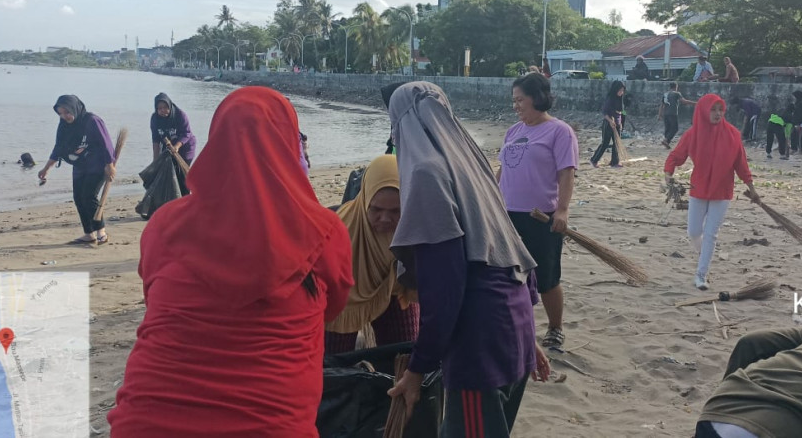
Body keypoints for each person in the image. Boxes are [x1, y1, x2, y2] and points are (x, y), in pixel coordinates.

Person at [108, 87, 354, 437]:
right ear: (290, 145)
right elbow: (332, 309)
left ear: (216, 143)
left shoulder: (165, 225)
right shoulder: (324, 231)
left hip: (147, 424)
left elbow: (155, 298)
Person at [384, 82, 550, 438]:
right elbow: (514, 246)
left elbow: (445, 290)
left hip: (479, 344)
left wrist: (417, 368)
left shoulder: (427, 173)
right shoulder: (471, 163)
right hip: (514, 322)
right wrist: (529, 335)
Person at [496, 73, 579, 350]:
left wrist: (563, 211)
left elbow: (566, 173)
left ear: (537, 98)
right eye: (514, 101)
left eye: (520, 100)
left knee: (546, 277)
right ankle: (517, 326)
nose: (516, 106)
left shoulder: (559, 131)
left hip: (540, 216)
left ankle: (555, 328)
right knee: (510, 275)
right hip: (507, 215)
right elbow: (502, 170)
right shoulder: (513, 131)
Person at [663, 95, 759, 290]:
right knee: (693, 232)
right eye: (713, 109)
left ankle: (701, 274)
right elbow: (676, 156)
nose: (717, 114)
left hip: (722, 191)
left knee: (711, 234)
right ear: (703, 111)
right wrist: (668, 174)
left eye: (720, 109)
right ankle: (704, 255)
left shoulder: (733, 134)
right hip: (698, 188)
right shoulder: (692, 134)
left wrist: (752, 189)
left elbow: (741, 165)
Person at [324, 154, 417, 354]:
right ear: (365, 199)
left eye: (395, 211)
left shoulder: (415, 226)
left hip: (396, 290)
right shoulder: (340, 231)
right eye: (376, 209)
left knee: (404, 356)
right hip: (344, 301)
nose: (384, 219)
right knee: (335, 364)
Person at [37, 95, 117, 245]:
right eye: (60, 113)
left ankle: (101, 231)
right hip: (80, 166)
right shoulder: (64, 124)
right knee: (78, 198)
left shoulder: (92, 121)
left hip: (98, 165)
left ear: (74, 108)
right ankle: (89, 233)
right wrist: (46, 168)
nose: (64, 116)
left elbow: (106, 143)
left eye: (66, 112)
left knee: (89, 196)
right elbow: (58, 147)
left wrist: (110, 165)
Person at [150, 93, 195, 196]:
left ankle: (185, 197)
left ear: (169, 106)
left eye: (165, 107)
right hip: (169, 146)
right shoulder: (155, 119)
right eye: (159, 108)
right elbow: (156, 139)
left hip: (185, 147)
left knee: (181, 174)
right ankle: (172, 199)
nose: (163, 110)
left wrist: (177, 146)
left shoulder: (180, 115)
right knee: (168, 173)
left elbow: (186, 133)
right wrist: (155, 160)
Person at [590, 81, 626, 168]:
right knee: (605, 143)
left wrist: (620, 123)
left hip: (617, 123)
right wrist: (610, 121)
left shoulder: (620, 99)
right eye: (620, 90)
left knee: (616, 143)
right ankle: (594, 160)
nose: (621, 92)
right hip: (608, 123)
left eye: (622, 90)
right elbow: (605, 112)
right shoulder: (610, 99)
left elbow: (620, 112)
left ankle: (614, 161)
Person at [659, 82, 696, 148]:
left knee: (668, 128)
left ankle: (666, 142)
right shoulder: (677, 93)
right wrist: (695, 103)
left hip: (665, 113)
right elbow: (684, 101)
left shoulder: (665, 94)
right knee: (675, 128)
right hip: (672, 113)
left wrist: (659, 115)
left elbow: (662, 105)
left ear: (670, 87)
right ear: (676, 87)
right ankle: (666, 140)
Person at [788, 90, 802, 155]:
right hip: (798, 122)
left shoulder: (801, 104)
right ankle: (794, 149)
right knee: (794, 135)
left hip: (800, 123)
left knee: (799, 137)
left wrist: (798, 124)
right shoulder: (799, 103)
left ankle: (801, 150)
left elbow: (801, 115)